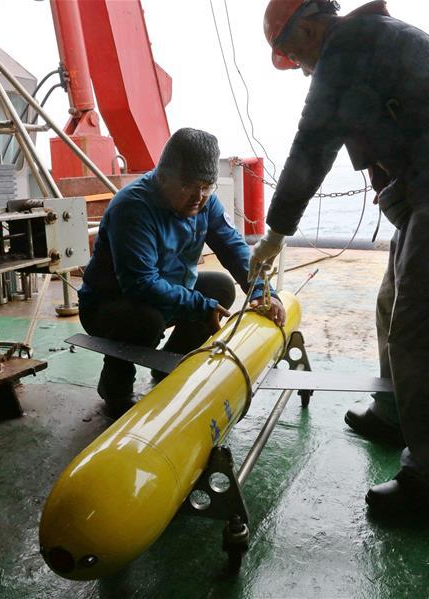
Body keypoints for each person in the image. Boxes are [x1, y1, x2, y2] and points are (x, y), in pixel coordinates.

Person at [252, 0, 429, 516]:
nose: (302, 68)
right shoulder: (371, 41)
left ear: (312, 24)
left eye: (297, 53)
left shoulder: (349, 46)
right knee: (394, 306)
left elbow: (312, 145)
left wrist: (276, 233)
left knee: (423, 338)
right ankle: (393, 413)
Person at [79, 128, 285, 418]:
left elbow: (234, 248)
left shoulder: (205, 203)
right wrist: (201, 307)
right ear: (162, 176)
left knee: (220, 288)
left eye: (206, 186)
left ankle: (170, 366)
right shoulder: (133, 208)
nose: (198, 197)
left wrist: (263, 292)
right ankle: (115, 387)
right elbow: (141, 284)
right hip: (112, 305)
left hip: (168, 293)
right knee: (146, 318)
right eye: (188, 185)